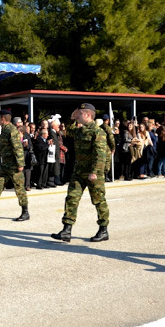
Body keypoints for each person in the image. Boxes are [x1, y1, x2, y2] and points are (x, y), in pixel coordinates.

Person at [51, 103, 109, 243]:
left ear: (88, 115)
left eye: (80, 113)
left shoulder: (97, 132)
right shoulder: (80, 130)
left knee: (98, 200)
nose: (77, 116)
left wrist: (94, 172)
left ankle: (103, 230)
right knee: (71, 198)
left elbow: (100, 154)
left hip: (93, 172)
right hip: (79, 171)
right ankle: (67, 230)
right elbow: (66, 131)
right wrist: (72, 116)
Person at [99, 114, 115, 182]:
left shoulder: (99, 127)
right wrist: (113, 147)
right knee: (107, 162)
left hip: (100, 146)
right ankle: (105, 176)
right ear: (108, 120)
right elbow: (111, 139)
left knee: (101, 161)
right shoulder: (108, 128)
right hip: (107, 147)